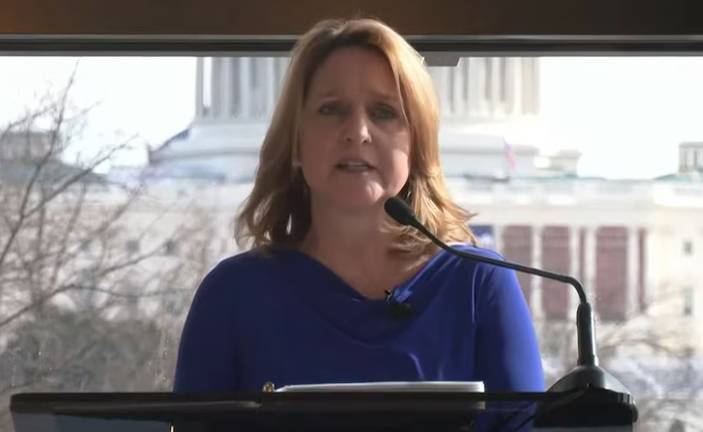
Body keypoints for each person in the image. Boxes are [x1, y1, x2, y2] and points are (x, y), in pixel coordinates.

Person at [174, 17, 543, 398]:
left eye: (384, 112)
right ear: (296, 143)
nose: (358, 132)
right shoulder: (234, 295)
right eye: (332, 109)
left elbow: (520, 422)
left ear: (416, 146)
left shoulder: (479, 287)